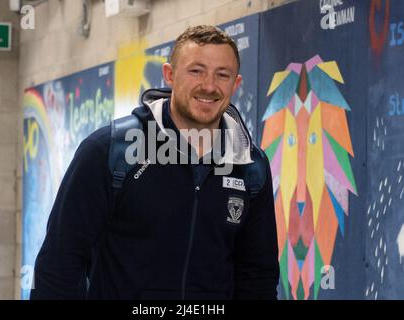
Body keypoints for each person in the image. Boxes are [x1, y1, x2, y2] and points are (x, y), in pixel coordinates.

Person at [30, 25, 279, 300]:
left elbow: (258, 276)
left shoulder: (250, 165)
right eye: (196, 71)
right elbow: (60, 262)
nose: (209, 85)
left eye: (222, 75)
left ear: (236, 84)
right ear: (170, 75)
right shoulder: (110, 150)